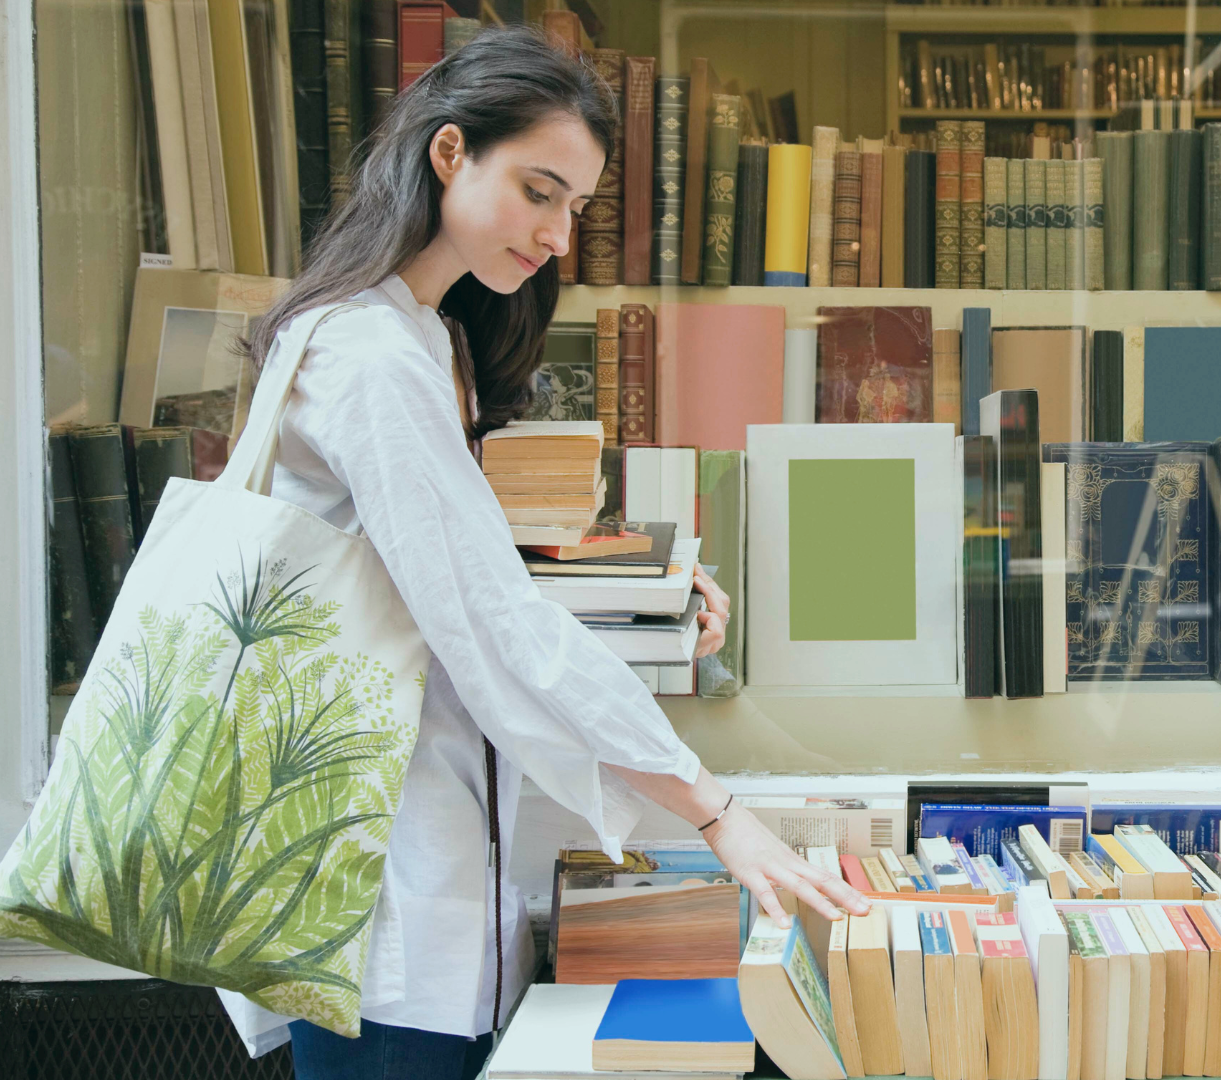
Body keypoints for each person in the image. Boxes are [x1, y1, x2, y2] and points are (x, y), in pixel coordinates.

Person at [223, 26, 868, 1079]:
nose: (560, 234)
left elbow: (434, 572)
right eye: (538, 191)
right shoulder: (372, 354)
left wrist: (644, 598)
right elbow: (480, 617)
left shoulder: (422, 337)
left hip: (414, 873)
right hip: (375, 892)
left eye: (576, 206)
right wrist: (716, 812)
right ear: (447, 154)